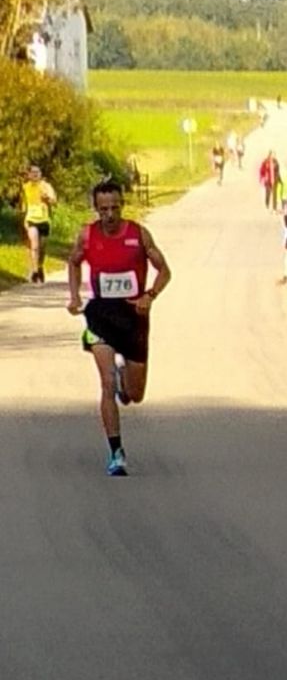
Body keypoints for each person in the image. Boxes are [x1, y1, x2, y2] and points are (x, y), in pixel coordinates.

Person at [67, 178, 172, 477]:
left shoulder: (139, 234)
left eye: (114, 208)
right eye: (103, 209)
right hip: (100, 315)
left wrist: (150, 295)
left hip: (133, 317)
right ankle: (116, 453)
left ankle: (126, 380)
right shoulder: (87, 236)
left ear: (122, 205)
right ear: (96, 209)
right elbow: (74, 262)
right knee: (106, 383)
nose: (109, 215)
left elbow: (165, 270)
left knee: (135, 394)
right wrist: (74, 296)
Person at [21, 164, 57, 283]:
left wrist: (47, 199)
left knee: (42, 248)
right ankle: (35, 271)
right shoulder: (25, 187)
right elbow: (24, 205)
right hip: (31, 219)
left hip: (44, 219)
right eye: (33, 172)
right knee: (34, 246)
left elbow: (54, 201)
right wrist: (24, 219)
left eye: (38, 172)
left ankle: (40, 266)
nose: (35, 174)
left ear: (41, 174)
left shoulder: (46, 186)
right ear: (29, 175)